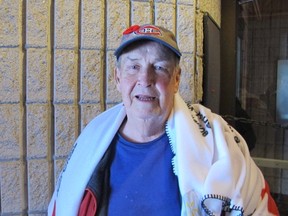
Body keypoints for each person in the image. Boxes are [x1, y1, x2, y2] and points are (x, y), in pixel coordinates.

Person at [48, 24, 279, 216]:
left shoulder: (220, 141)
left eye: (159, 67)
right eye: (134, 66)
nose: (145, 79)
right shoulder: (91, 139)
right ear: (118, 78)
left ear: (176, 79)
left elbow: (260, 207)